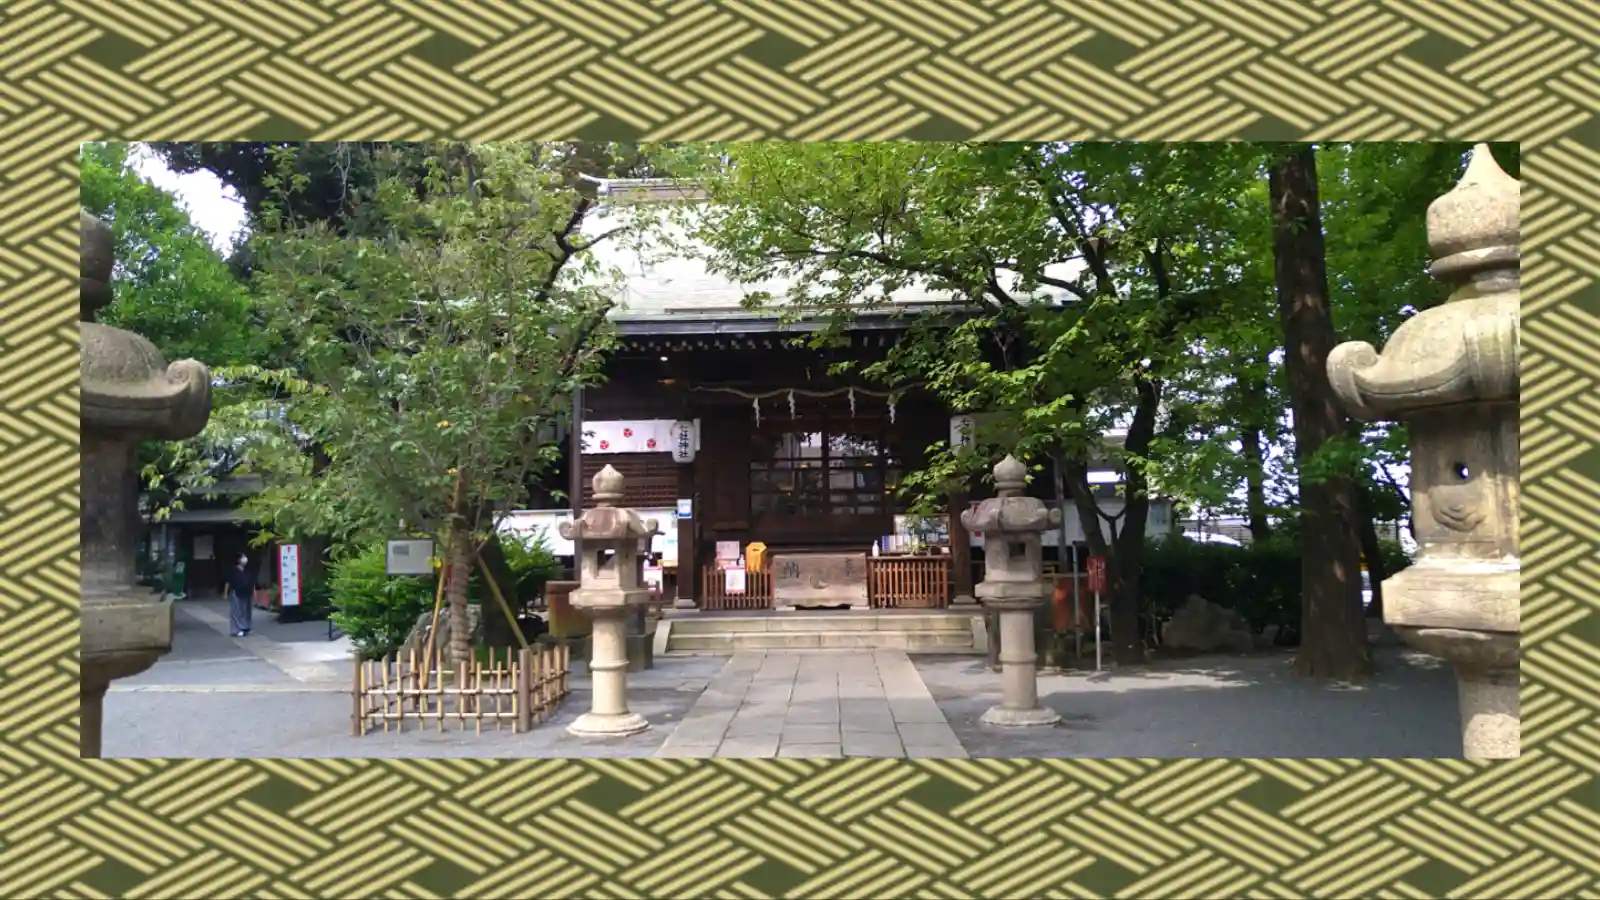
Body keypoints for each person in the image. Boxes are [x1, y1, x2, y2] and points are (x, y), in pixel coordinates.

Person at [224, 553, 255, 637]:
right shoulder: (232, 570)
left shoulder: (248, 570)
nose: (245, 559)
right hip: (236, 592)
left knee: (246, 611)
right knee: (236, 611)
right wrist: (225, 594)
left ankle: (246, 627)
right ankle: (237, 629)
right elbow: (228, 582)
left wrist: (254, 592)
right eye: (243, 557)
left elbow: (252, 582)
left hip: (247, 593)